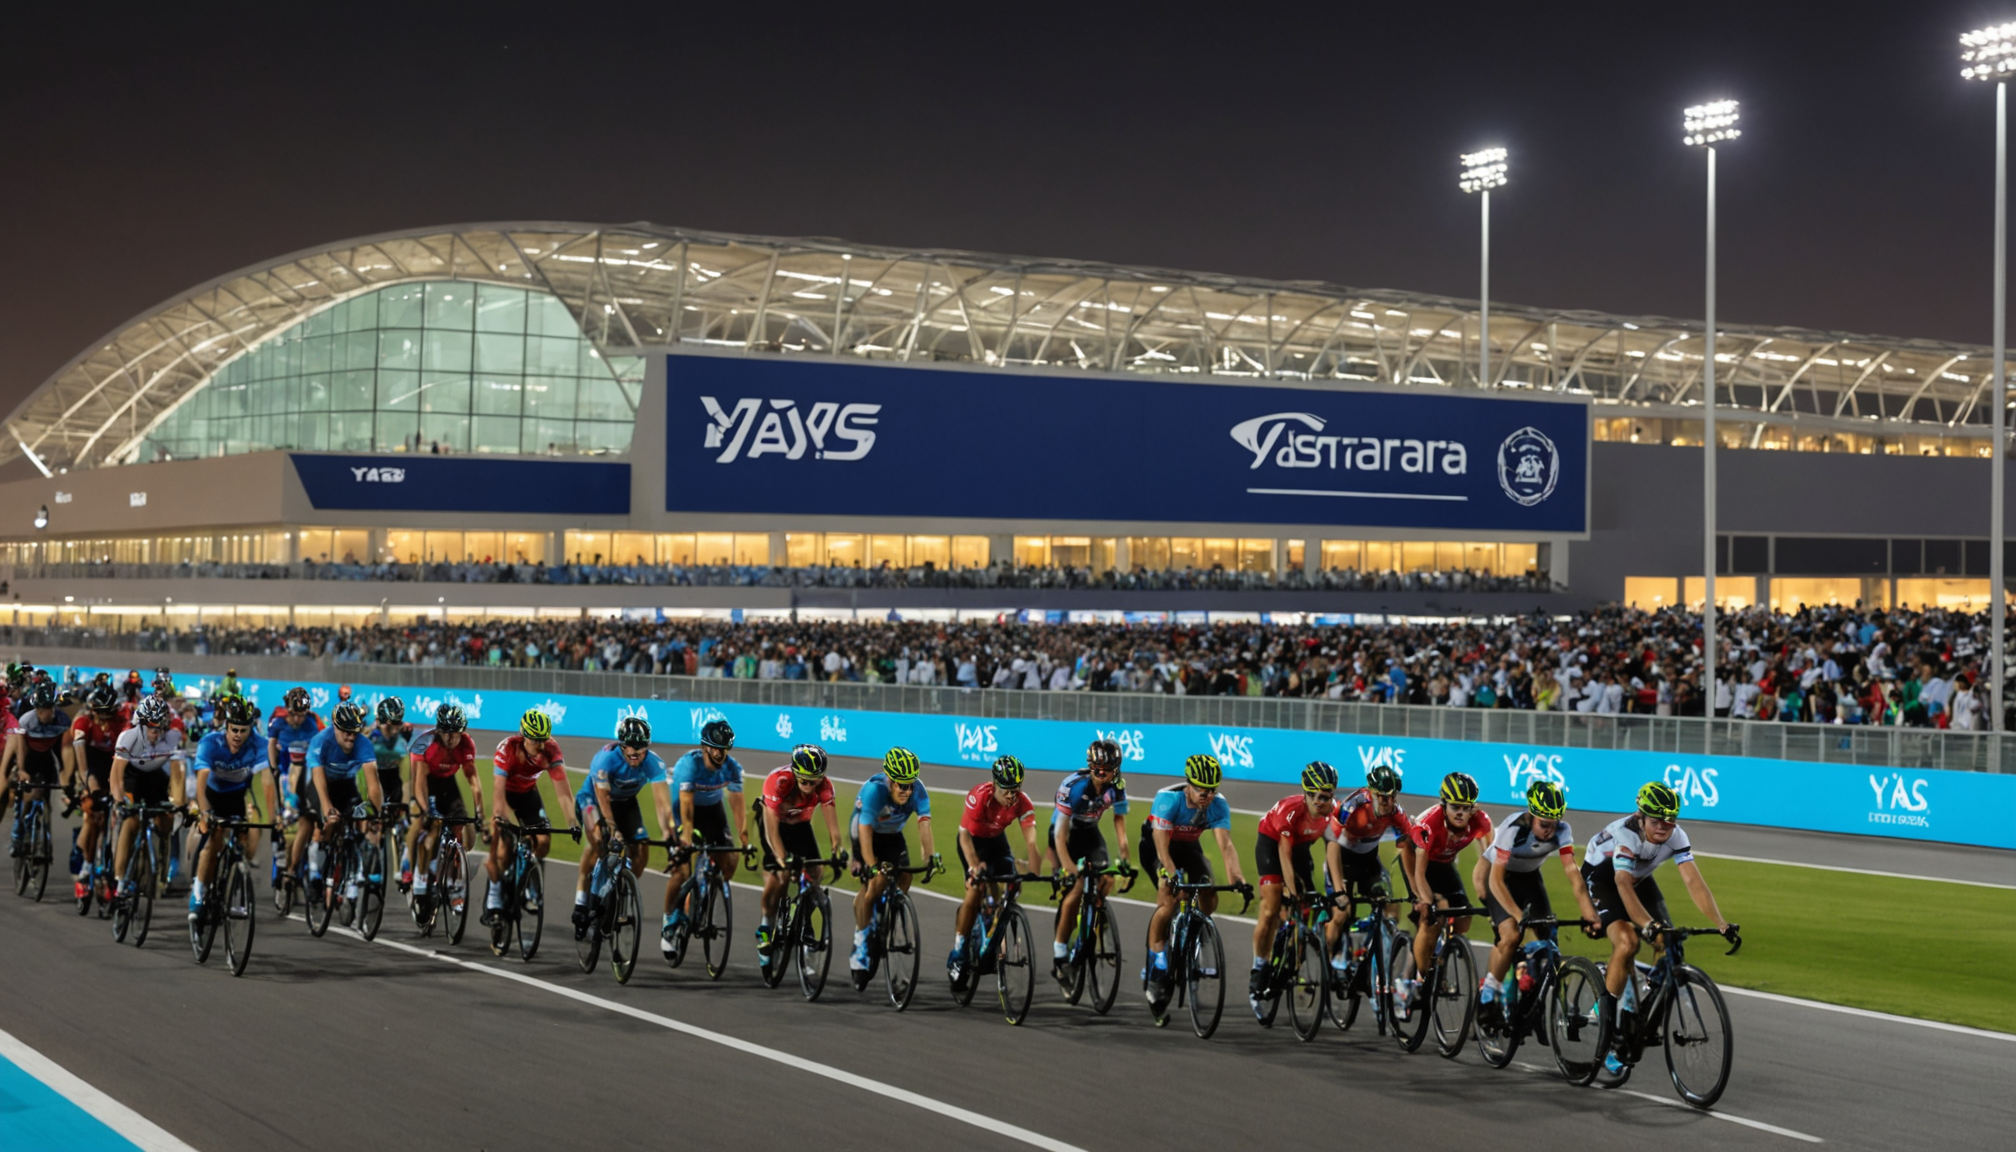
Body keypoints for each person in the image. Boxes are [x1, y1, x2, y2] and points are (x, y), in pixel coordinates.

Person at [1583, 781, 1737, 1075]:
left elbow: (1693, 881)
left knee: (1669, 942)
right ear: (1640, 816)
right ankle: (1605, 1018)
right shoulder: (1625, 835)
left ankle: (1644, 996)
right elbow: (1622, 886)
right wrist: (1647, 924)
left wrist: (1721, 923)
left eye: (1670, 822)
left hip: (1637, 880)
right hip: (1604, 881)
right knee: (1628, 942)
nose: (1664, 828)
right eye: (1656, 821)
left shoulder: (1676, 836)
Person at [1475, 779, 1601, 1022]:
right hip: (1499, 877)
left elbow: (1573, 874)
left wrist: (1590, 913)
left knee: (1548, 939)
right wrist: (1519, 916)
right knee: (1512, 934)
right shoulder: (1513, 828)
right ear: (1530, 815)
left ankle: (1531, 991)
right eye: (1544, 824)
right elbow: (1495, 881)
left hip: (1530, 878)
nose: (1549, 831)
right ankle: (1488, 995)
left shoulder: (1562, 831)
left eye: (1554, 825)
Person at [1139, 754, 1246, 1011]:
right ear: (1188, 784)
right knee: (1168, 897)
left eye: (1211, 790)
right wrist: (1172, 875)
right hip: (1157, 847)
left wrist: (1237, 878)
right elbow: (1163, 850)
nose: (1205, 795)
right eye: (1200, 789)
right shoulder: (1168, 799)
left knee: (1208, 891)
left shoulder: (1218, 805)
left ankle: (1193, 932)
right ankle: (1157, 960)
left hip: (1188, 847)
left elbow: (1226, 845)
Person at [571, 716, 674, 940]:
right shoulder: (605, 760)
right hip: (593, 801)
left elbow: (663, 805)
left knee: (642, 850)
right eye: (631, 749)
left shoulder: (654, 764)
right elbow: (603, 798)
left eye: (641, 748)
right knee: (599, 842)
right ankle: (582, 902)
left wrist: (669, 833)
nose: (636, 754)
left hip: (626, 804)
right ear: (622, 746)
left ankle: (622, 888)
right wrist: (612, 829)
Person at [1248, 761, 1339, 1003]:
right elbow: (1284, 855)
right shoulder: (1292, 811)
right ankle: (1259, 966)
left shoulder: (1332, 812)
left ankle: (1295, 952)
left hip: (1301, 848)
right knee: (1271, 907)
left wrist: (1336, 888)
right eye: (1320, 796)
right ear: (1308, 794)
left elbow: (1333, 849)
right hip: (1272, 843)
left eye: (1329, 796)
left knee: (1309, 904)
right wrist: (1290, 887)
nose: (1325, 802)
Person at [950, 755, 1041, 988]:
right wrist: (973, 865)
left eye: (1016, 790)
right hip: (972, 843)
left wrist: (1034, 864)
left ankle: (996, 922)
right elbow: (964, 836)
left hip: (997, 842)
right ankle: (960, 949)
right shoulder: (979, 797)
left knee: (1013, 882)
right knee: (975, 889)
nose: (1012, 796)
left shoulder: (1023, 802)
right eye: (1007, 791)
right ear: (995, 785)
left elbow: (1031, 841)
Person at [1404, 771, 1492, 1009]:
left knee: (1464, 916)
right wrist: (1426, 902)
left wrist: (1491, 896)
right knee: (1433, 913)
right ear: (1444, 805)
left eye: (1466, 807)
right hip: (1417, 864)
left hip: (1444, 864)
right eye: (1455, 807)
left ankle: (1442, 953)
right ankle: (1419, 975)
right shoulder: (1428, 825)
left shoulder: (1481, 821)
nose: (1461, 813)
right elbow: (1420, 874)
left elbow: (1489, 859)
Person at [1321, 763, 1416, 983]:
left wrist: (1414, 890)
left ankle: (1367, 953)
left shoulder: (1395, 812)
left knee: (1391, 909)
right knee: (1342, 912)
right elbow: (1332, 844)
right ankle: (1327, 963)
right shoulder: (1353, 805)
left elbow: (1407, 851)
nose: (1388, 802)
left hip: (1369, 861)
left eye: (1393, 797)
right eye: (1383, 797)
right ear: (1371, 793)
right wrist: (1338, 889)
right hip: (1341, 859)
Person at [750, 744, 843, 967]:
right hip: (774, 824)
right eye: (805, 781)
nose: (810, 787)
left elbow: (834, 829)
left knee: (816, 872)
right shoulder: (779, 782)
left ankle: (803, 918)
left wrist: (836, 852)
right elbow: (772, 830)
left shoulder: (825, 786)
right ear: (795, 774)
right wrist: (782, 859)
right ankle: (766, 924)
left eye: (815, 781)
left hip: (800, 825)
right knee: (781, 876)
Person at [483, 704, 575, 925]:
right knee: (504, 849)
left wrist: (573, 822)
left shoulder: (550, 750)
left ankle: (531, 881)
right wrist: (506, 820)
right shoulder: (508, 750)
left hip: (528, 796)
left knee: (543, 840)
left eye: (544, 739)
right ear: (523, 736)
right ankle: (493, 898)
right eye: (535, 740)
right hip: (506, 797)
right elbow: (498, 792)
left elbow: (563, 792)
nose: (540, 745)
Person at [1047, 739, 1130, 981]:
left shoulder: (1118, 787)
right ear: (1090, 767)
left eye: (1109, 770)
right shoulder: (1073, 787)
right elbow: (1060, 833)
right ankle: (1060, 952)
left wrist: (1124, 855)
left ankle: (1097, 916)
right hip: (1066, 834)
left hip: (1090, 831)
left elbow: (1119, 821)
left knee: (1106, 880)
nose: (1103, 775)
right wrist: (1068, 866)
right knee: (1074, 890)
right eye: (1098, 770)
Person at [186, 697, 278, 915]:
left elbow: (266, 781)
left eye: (243, 730)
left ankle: (234, 880)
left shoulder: (260, 745)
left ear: (251, 730)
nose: (238, 735)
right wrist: (205, 813)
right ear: (226, 727)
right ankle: (198, 890)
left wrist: (273, 817)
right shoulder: (210, 742)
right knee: (213, 840)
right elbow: (201, 783)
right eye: (234, 729)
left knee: (246, 839)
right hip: (212, 795)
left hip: (237, 795)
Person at [848, 747, 937, 971]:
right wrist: (872, 866)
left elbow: (924, 825)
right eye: (901, 784)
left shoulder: (918, 791)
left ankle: (892, 910)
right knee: (876, 882)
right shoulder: (874, 792)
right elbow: (865, 831)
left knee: (906, 875)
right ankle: (862, 938)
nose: (906, 791)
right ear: (889, 780)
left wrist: (930, 859)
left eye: (910, 785)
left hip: (892, 835)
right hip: (865, 833)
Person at [661, 719, 747, 951]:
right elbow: (687, 810)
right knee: (681, 870)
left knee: (729, 860)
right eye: (717, 748)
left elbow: (738, 807)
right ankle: (669, 916)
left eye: (725, 749)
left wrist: (745, 840)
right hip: (683, 810)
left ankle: (705, 889)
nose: (721, 754)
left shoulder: (732, 767)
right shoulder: (689, 766)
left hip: (712, 811)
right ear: (705, 747)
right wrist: (686, 840)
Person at [106, 697, 185, 908]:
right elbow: (116, 775)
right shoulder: (128, 737)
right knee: (131, 822)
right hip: (132, 779)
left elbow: (177, 777)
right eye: (151, 727)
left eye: (160, 727)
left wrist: (179, 804)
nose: (155, 732)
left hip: (155, 779)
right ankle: (121, 883)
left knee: (165, 822)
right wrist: (120, 800)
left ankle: (160, 865)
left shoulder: (173, 738)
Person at [406, 703, 481, 917]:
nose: (451, 739)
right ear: (438, 730)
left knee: (463, 829)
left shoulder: (466, 744)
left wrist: (479, 813)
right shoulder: (424, 743)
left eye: (456, 734)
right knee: (427, 830)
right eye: (446, 733)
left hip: (448, 786)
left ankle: (453, 880)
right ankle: (419, 880)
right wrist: (425, 811)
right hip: (427, 786)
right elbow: (418, 782)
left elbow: (474, 782)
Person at [302, 702, 382, 896]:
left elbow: (373, 782)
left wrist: (376, 814)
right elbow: (318, 779)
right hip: (321, 783)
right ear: (336, 727)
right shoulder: (321, 741)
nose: (351, 737)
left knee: (360, 816)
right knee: (328, 823)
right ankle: (315, 866)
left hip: (345, 784)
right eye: (346, 732)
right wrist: (328, 810)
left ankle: (352, 862)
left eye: (355, 732)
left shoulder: (363, 744)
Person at [65, 684, 127, 901]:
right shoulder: (82, 722)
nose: (103, 719)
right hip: (90, 769)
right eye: (100, 714)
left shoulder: (122, 723)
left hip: (112, 768)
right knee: (93, 815)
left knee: (118, 817)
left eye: (108, 714)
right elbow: (83, 766)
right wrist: (91, 789)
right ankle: (85, 866)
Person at [6, 683, 70, 857]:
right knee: (27, 796)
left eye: (50, 709)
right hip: (29, 757)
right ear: (36, 709)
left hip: (47, 758)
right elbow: (21, 748)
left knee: (45, 797)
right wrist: (21, 770)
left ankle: (44, 837)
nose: (46, 714)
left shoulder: (63, 720)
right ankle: (18, 833)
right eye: (42, 710)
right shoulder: (26, 720)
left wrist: (67, 774)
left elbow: (65, 750)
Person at [270, 687, 323, 881]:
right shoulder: (278, 721)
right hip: (285, 770)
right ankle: (280, 849)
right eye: (295, 716)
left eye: (303, 716)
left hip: (307, 770)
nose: (299, 720)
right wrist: (274, 768)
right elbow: (271, 746)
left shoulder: (313, 721)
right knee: (284, 813)